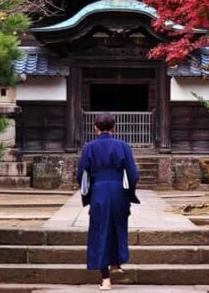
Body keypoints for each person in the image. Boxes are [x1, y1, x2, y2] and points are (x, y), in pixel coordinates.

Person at [77, 113, 140, 290]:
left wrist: (88, 195)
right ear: (114, 128)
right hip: (119, 191)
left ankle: (105, 279)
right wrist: (129, 193)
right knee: (118, 227)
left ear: (95, 128)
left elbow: (81, 174)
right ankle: (117, 262)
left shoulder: (89, 147)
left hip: (98, 191)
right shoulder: (123, 146)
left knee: (100, 231)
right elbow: (133, 174)